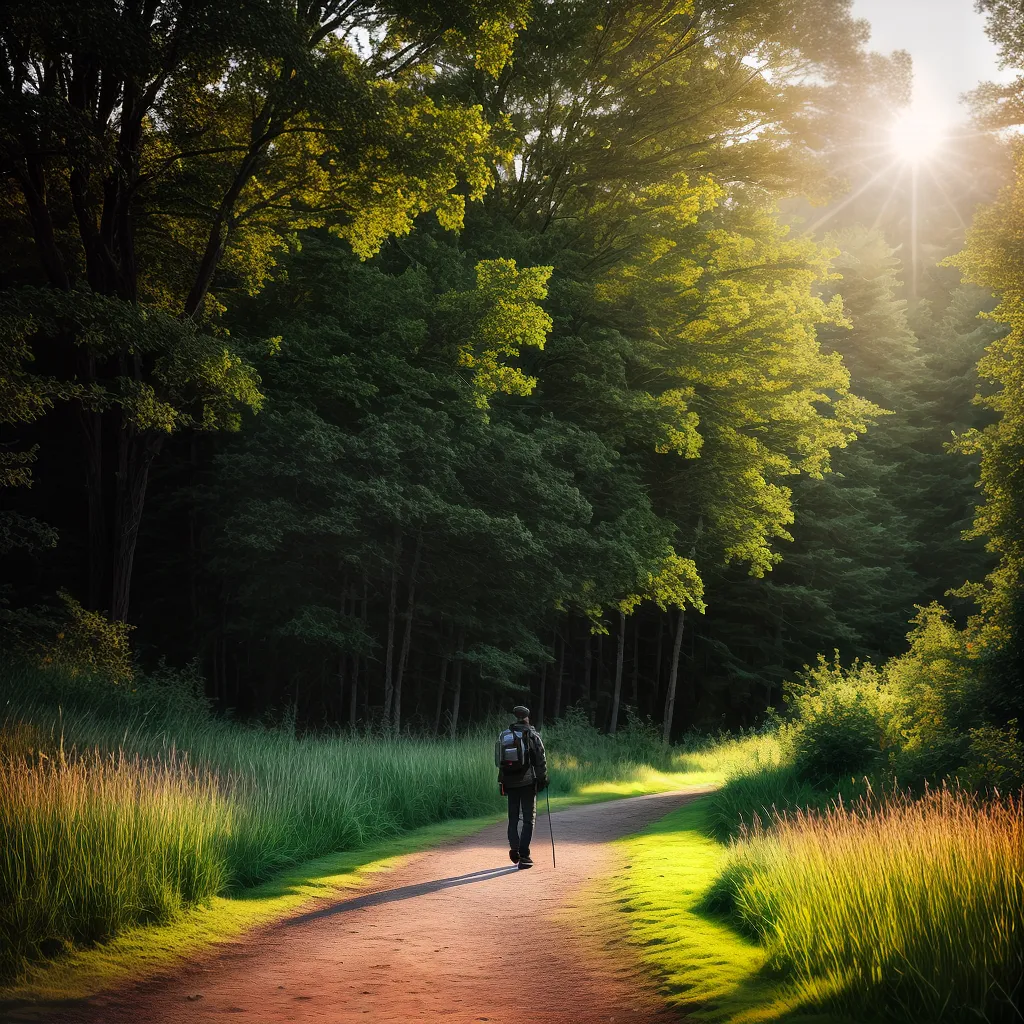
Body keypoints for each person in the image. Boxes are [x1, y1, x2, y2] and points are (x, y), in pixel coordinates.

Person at [495, 704, 548, 869]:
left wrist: (502, 782)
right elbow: (540, 760)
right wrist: (542, 779)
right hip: (527, 783)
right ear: (527, 717)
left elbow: (500, 762)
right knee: (527, 819)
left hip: (510, 783)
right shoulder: (532, 734)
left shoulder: (505, 735)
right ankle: (524, 856)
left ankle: (514, 849)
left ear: (515, 717)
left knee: (512, 818)